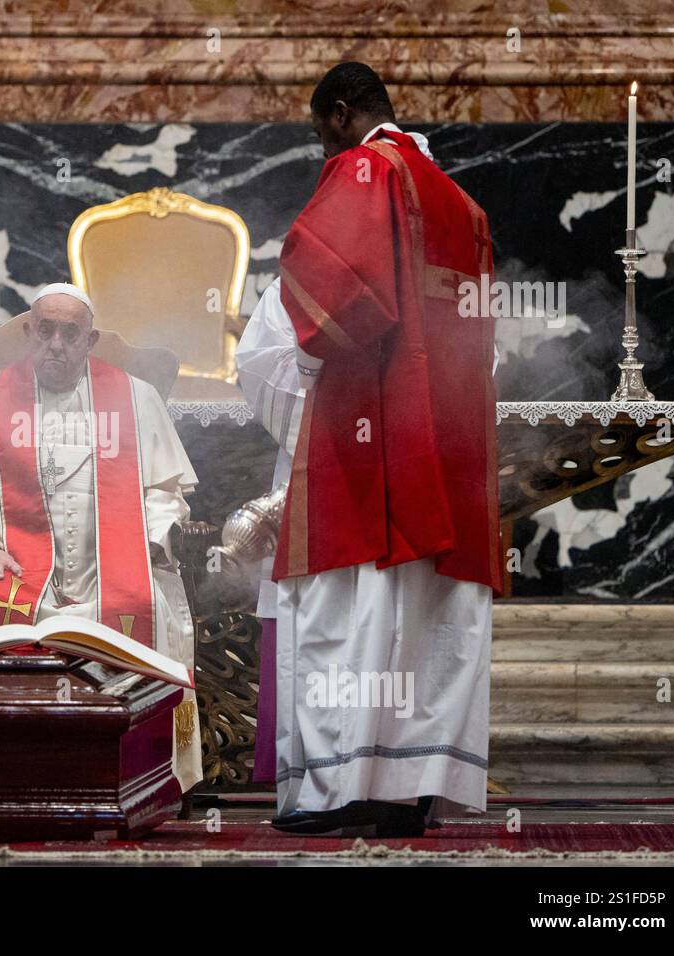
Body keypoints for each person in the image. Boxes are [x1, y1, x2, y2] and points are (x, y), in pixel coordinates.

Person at [258, 62, 502, 837]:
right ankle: (408, 790)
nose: (321, 151)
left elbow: (335, 289)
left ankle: (344, 788)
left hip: (372, 436)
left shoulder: (367, 169)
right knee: (425, 615)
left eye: (318, 133)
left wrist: (300, 343)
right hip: (449, 438)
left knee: (353, 608)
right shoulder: (460, 202)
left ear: (340, 115)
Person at [0, 283, 203, 791]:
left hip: (113, 572)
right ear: (29, 331)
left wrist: (147, 542)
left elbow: (166, 493)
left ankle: (143, 775)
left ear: (89, 341)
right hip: (16, 572)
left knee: (145, 599)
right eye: (45, 330)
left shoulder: (137, 399)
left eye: (71, 333)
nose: (57, 344)